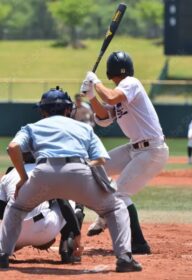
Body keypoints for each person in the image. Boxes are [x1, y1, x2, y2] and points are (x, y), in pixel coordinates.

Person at [0, 86, 141, 272]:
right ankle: (124, 258)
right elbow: (101, 159)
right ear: (68, 109)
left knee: (16, 207)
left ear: (42, 111)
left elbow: (12, 147)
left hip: (43, 173)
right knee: (116, 208)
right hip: (79, 172)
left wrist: (23, 177)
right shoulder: (83, 127)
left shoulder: (32, 127)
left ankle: (2, 256)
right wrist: (85, 168)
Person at [80, 51, 169, 255]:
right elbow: (103, 116)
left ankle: (139, 244)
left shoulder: (131, 83)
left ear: (110, 72)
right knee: (94, 169)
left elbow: (111, 97)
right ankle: (104, 216)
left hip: (152, 150)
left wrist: (96, 82)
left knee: (120, 194)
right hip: (134, 148)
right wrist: (92, 96)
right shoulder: (121, 92)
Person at [0, 152, 84, 263]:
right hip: (44, 232)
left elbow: (2, 212)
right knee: (71, 200)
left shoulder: (8, 175)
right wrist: (77, 234)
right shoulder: (48, 173)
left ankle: (3, 252)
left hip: (13, 236)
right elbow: (64, 206)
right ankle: (67, 249)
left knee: (13, 210)